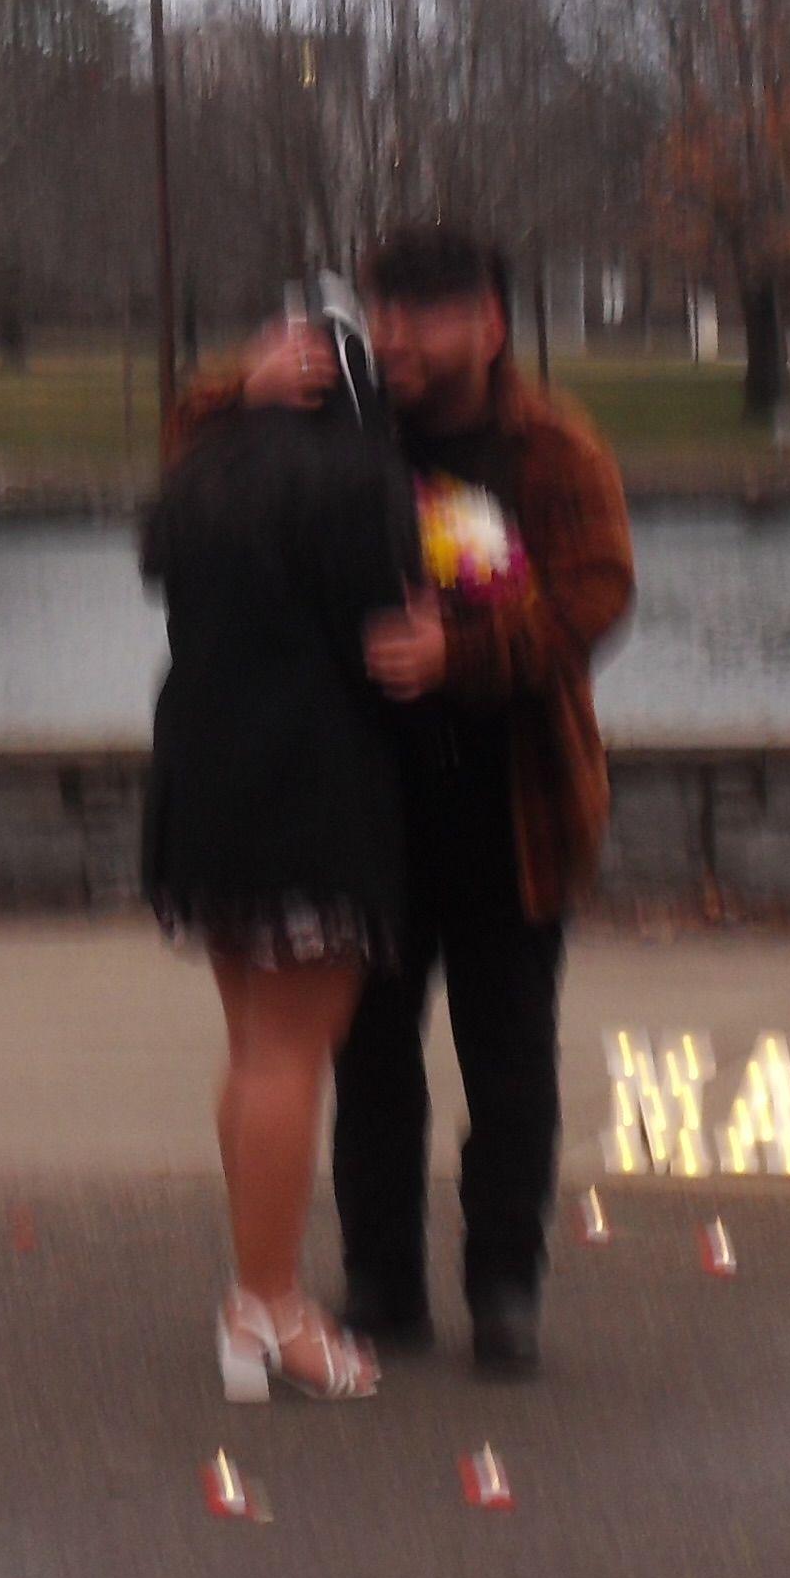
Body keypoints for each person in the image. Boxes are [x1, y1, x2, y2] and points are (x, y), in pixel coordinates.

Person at [212, 224, 635, 1377]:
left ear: (490, 325)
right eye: (383, 311)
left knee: (510, 1066)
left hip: (513, 810)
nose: (393, 337)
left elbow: (595, 598)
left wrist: (466, 654)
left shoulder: (554, 449)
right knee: (371, 1065)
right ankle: (384, 1283)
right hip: (368, 804)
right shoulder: (343, 428)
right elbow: (199, 483)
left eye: (423, 314)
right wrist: (234, 393)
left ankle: (506, 1288)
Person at [139, 294, 421, 1402]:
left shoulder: (200, 480)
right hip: (313, 793)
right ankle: (267, 1310)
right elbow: (390, 639)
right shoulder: (361, 488)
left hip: (202, 788)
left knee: (253, 1045)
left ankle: (257, 1296)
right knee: (292, 1054)